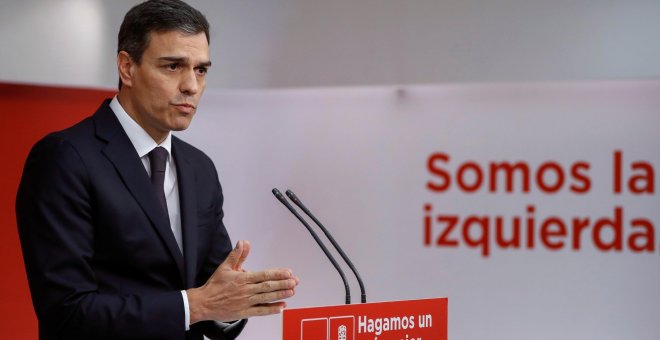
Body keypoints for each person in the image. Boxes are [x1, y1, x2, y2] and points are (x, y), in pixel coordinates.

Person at [15, 1, 298, 339]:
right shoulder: (65, 158)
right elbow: (66, 312)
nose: (191, 86)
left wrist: (234, 305)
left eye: (201, 70)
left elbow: (212, 299)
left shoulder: (199, 168)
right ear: (126, 67)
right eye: (173, 66)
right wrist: (195, 306)